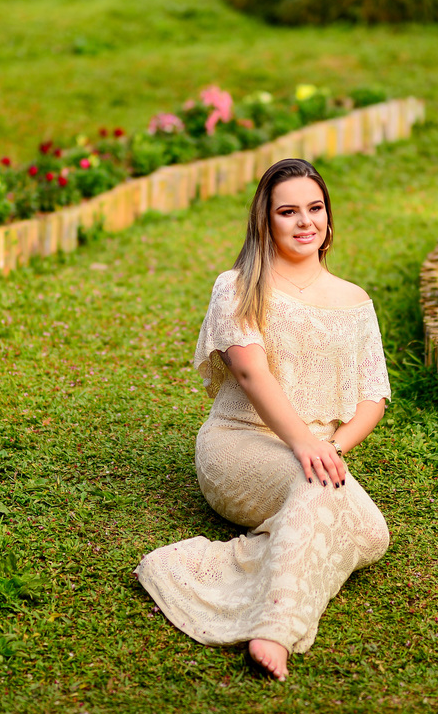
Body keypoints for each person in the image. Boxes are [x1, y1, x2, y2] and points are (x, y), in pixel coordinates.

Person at [135, 158, 392, 682]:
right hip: (239, 443)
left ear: (328, 217)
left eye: (315, 208)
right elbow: (251, 373)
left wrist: (332, 448)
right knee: (316, 487)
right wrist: (305, 446)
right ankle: (276, 626)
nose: (305, 222)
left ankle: (200, 564)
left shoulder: (355, 300)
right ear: (265, 221)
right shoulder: (237, 286)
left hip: (317, 453)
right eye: (288, 211)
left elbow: (374, 396)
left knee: (371, 534)